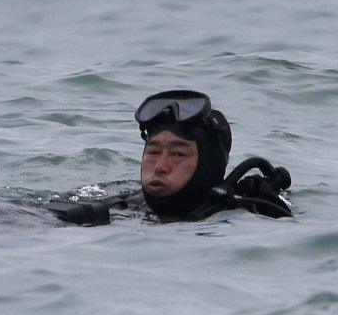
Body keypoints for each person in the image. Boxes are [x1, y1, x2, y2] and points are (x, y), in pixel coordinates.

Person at [45, 90, 292, 225]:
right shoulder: (126, 201)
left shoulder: (243, 217)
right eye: (152, 152)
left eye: (178, 154)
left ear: (208, 165)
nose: (160, 167)